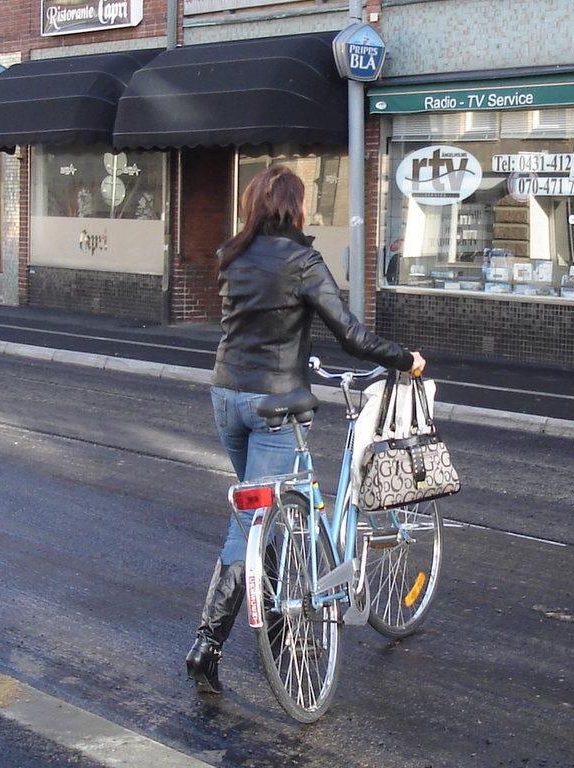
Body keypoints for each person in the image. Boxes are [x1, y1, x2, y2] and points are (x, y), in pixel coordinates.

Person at [186, 165, 425, 694]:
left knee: (260, 516)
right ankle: (208, 644)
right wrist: (404, 358)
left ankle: (274, 630)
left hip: (228, 395)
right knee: (250, 526)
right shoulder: (302, 261)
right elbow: (351, 334)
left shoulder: (233, 254)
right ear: (297, 208)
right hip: (278, 403)